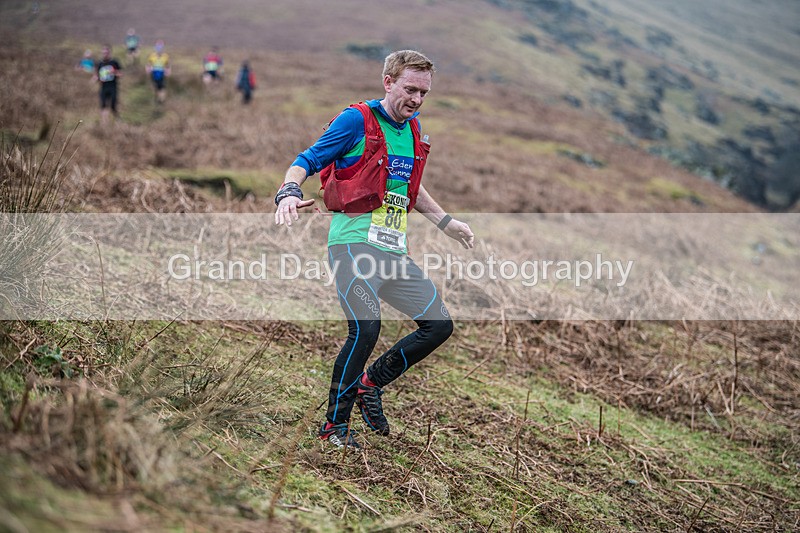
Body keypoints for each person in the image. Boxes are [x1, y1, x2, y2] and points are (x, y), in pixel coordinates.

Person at [274, 50, 474, 450]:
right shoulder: (357, 120)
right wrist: (289, 190)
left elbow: (409, 188)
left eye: (423, 93)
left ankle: (370, 384)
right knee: (365, 327)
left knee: (439, 325)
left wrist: (446, 222)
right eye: (409, 89)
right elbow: (307, 159)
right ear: (388, 82)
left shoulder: (414, 130)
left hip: (393, 251)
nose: (416, 99)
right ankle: (335, 427)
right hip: (352, 244)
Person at [93, 45, 122, 125]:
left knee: (113, 105)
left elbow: (120, 74)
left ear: (110, 53)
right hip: (103, 87)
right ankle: (104, 123)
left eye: (106, 52)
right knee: (103, 105)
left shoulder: (114, 62)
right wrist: (95, 78)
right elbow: (97, 75)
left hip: (113, 86)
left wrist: (114, 72)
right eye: (103, 52)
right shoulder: (100, 63)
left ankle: (117, 119)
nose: (105, 54)